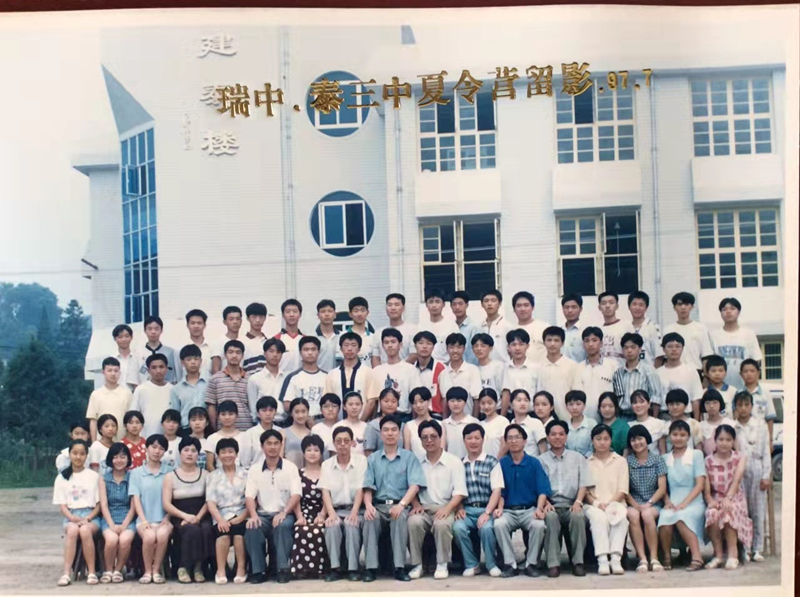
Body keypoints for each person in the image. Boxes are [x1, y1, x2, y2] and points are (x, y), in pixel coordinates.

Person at [362, 415, 427, 582]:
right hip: (378, 505)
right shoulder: (373, 459)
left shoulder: (409, 457)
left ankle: (399, 567)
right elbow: (368, 487)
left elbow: (414, 485)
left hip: (400, 504)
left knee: (399, 517)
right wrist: (368, 505)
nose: (389, 433)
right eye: (386, 430)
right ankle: (370, 568)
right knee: (370, 518)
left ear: (399, 433)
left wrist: (402, 504)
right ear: (381, 434)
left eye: (393, 430)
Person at [407, 420, 467, 580]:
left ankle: (442, 564)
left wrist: (447, 509)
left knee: (442, 524)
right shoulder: (416, 462)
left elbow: (459, 492)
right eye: (425, 437)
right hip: (424, 508)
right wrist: (415, 504)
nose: (429, 440)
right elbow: (411, 487)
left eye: (433, 436)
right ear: (420, 440)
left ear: (440, 438)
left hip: (447, 507)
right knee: (413, 522)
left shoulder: (454, 462)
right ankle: (417, 564)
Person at [244, 429, 302, 584]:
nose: (273, 447)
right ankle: (258, 571)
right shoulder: (255, 469)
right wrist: (253, 515)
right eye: (269, 443)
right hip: (262, 514)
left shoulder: (290, 467)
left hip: (284, 513)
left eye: (276, 443)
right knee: (252, 526)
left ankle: (282, 569)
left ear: (281, 445)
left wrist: (284, 512)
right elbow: (249, 496)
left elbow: (296, 494)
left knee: (282, 526)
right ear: (262, 446)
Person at [494, 424, 551, 577]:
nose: (513, 441)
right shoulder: (502, 464)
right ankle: (510, 564)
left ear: (524, 441)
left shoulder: (534, 463)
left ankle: (531, 563)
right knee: (499, 524)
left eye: (517, 437)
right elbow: (500, 491)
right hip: (508, 510)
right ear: (506, 442)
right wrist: (499, 508)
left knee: (538, 525)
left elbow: (542, 490)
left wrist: (539, 509)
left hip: (529, 510)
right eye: (510, 438)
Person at [453, 423, 504, 578]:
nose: (473, 441)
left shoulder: (492, 462)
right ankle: (472, 564)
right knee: (458, 528)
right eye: (469, 438)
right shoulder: (459, 464)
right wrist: (459, 508)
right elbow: (456, 490)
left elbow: (497, 490)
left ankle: (491, 564)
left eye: (477, 438)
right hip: (467, 510)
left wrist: (487, 512)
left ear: (483, 439)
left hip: (487, 509)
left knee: (486, 529)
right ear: (464, 440)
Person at [539, 420, 589, 578]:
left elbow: (583, 484)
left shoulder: (578, 458)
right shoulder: (541, 460)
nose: (557, 437)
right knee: (550, 517)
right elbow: (539, 486)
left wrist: (578, 501)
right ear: (548, 437)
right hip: (551, 504)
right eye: (553, 434)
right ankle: (553, 564)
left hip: (572, 503)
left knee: (578, 516)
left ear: (566, 436)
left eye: (561, 434)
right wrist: (546, 503)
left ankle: (578, 562)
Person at [319, 426, 368, 582]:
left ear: (352, 443)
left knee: (351, 524)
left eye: (346, 441)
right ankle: (335, 568)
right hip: (336, 509)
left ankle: (353, 568)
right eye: (339, 441)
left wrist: (354, 512)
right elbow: (325, 491)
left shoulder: (361, 461)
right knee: (332, 525)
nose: (342, 444)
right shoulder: (326, 464)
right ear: (334, 443)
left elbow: (361, 489)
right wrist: (331, 513)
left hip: (356, 509)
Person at [657, 420, 707, 572]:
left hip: (693, 501)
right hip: (673, 500)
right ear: (669, 436)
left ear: (688, 437)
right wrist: (667, 501)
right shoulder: (664, 458)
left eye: (682, 435)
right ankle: (667, 557)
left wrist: (685, 503)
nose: (678, 438)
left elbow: (700, 484)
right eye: (675, 434)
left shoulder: (696, 455)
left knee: (681, 516)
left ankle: (697, 557)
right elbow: (662, 485)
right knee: (665, 517)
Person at [162, 437, 212, 584]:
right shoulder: (170, 476)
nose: (190, 454)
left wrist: (197, 517)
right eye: (186, 450)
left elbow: (209, 500)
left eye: (194, 451)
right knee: (191, 530)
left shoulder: (206, 475)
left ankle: (199, 568)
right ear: (180, 453)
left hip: (201, 513)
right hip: (179, 514)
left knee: (206, 529)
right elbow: (166, 504)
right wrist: (185, 516)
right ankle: (183, 567)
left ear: (198, 454)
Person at [703, 424, 753, 570]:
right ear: (715, 440)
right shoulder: (708, 461)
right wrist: (710, 501)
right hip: (716, 498)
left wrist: (728, 498)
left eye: (728, 440)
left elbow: (737, 480)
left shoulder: (740, 457)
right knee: (711, 513)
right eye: (721, 439)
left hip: (735, 497)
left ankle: (733, 555)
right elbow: (706, 488)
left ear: (733, 441)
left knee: (728, 512)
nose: (724, 443)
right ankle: (718, 555)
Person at [53, 439, 101, 587]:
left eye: (82, 454)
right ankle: (67, 573)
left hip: (91, 516)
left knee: (85, 530)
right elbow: (63, 506)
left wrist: (88, 518)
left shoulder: (94, 476)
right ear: (69, 454)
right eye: (75, 453)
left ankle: (91, 572)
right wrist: (72, 518)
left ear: (86, 456)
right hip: (71, 516)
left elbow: (99, 505)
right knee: (73, 530)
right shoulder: (62, 477)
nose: (78, 457)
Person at [584, 424, 629, 576]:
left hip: (616, 502)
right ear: (592, 441)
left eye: (606, 439)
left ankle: (615, 559)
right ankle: (602, 560)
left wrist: (610, 504)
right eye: (598, 439)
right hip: (593, 505)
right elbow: (585, 491)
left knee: (620, 518)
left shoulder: (620, 461)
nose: (602, 442)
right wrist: (598, 504)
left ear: (611, 440)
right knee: (599, 518)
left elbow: (623, 489)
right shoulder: (586, 462)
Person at [733, 391, 771, 562]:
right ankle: (745, 548)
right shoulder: (733, 426)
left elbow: (766, 452)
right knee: (743, 509)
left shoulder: (760, 425)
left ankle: (757, 548)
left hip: (756, 465)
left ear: (751, 406)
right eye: (739, 405)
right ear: (735, 407)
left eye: (746, 405)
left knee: (757, 509)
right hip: (739, 470)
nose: (743, 408)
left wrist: (766, 475)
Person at [129, 434, 172, 584]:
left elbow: (173, 499)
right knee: (149, 537)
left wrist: (167, 517)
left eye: (161, 448)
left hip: (164, 519)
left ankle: (156, 570)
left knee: (162, 535)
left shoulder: (170, 471)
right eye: (153, 447)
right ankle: (147, 571)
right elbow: (136, 499)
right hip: (144, 519)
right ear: (146, 448)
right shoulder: (136, 473)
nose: (157, 451)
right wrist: (143, 520)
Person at [625, 425, 668, 573]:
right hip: (634, 502)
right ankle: (642, 558)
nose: (637, 442)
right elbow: (624, 489)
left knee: (647, 514)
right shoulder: (627, 462)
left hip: (654, 501)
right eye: (633, 440)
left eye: (640, 438)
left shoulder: (658, 460)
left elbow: (662, 488)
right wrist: (636, 505)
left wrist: (649, 503)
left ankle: (654, 558)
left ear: (647, 439)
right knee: (632, 514)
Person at [206, 437, 248, 585]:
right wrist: (220, 520)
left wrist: (242, 517)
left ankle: (241, 569)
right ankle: (221, 570)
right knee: (223, 534)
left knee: (239, 534)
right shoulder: (212, 476)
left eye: (231, 451)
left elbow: (252, 500)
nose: (227, 455)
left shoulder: (246, 474)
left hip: (242, 513)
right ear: (218, 455)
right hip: (221, 514)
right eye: (223, 452)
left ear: (236, 454)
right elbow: (210, 502)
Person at [289, 435, 329, 579]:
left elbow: (328, 496)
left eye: (316, 450)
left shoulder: (326, 472)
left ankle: (320, 569)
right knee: (302, 529)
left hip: (324, 510)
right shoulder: (297, 474)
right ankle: (302, 569)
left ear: (321, 453)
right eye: (309, 450)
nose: (312, 453)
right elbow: (295, 497)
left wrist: (322, 515)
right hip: (303, 510)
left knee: (319, 529)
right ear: (303, 453)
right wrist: (300, 516)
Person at [98, 442, 136, 584]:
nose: (119, 460)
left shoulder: (133, 477)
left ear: (128, 459)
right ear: (110, 459)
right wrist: (112, 525)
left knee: (125, 540)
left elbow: (133, 506)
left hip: (128, 517)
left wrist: (125, 524)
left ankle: (118, 570)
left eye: (122, 457)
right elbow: (104, 505)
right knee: (111, 540)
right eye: (115, 457)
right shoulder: (104, 479)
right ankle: (108, 570)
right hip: (109, 518)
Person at [369, 328, 422, 421]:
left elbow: (415, 397)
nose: (390, 345)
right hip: (382, 417)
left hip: (404, 416)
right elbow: (374, 401)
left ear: (400, 345)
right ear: (382, 346)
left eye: (393, 342)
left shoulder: (410, 369)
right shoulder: (377, 371)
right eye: (386, 342)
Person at [710, 297, 762, 390]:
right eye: (724, 309)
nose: (728, 312)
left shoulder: (748, 334)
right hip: (720, 388)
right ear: (720, 313)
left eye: (732, 309)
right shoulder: (713, 335)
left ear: (738, 312)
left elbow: (756, 360)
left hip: (744, 387)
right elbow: (709, 363)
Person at [612, 333, 663, 420]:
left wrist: (653, 419)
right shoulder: (618, 373)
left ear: (640, 349)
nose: (629, 350)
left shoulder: (649, 370)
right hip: (623, 416)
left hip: (643, 416)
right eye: (626, 347)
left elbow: (656, 397)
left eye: (633, 347)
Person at [205, 340, 251, 431]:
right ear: (225, 355)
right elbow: (211, 406)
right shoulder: (215, 379)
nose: (234, 355)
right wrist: (215, 428)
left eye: (238, 352)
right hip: (223, 430)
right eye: (230, 352)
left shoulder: (250, 379)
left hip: (246, 429)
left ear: (243, 356)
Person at [537, 326, 583, 417]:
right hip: (544, 416)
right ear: (544, 342)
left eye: (556, 340)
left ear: (562, 343)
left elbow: (576, 393)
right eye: (549, 340)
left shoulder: (572, 366)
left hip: (566, 415)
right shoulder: (538, 366)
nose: (552, 344)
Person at [664, 292, 714, 374]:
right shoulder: (668, 330)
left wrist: (706, 376)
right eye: (679, 304)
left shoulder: (701, 328)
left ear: (692, 307)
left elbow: (706, 355)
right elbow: (664, 356)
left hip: (696, 371)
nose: (683, 307)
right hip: (673, 372)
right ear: (674, 307)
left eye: (686, 304)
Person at [279, 336, 327, 421]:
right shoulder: (293, 377)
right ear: (300, 352)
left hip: (323, 421)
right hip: (300, 421)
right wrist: (305, 418)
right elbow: (287, 404)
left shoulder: (327, 376)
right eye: (306, 349)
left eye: (313, 349)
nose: (310, 353)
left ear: (318, 352)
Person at [658, 332, 704, 420]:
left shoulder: (691, 371)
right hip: (663, 416)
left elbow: (695, 399)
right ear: (663, 349)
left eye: (677, 346)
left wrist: (696, 421)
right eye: (670, 346)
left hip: (685, 416)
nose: (674, 349)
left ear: (682, 349)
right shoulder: (657, 373)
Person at [577, 327, 619, 421]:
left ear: (601, 343)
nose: (590, 344)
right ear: (583, 344)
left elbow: (618, 393)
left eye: (594, 340)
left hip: (608, 418)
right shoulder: (578, 368)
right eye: (587, 341)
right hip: (585, 418)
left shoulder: (612, 365)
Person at [87, 357, 132, 442]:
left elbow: (131, 420)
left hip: (122, 440)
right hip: (102, 442)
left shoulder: (127, 393)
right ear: (103, 372)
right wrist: (94, 442)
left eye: (116, 371)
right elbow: (93, 420)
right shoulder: (96, 394)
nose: (113, 373)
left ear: (120, 373)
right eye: (109, 370)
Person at [325, 332, 375, 408]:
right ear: (341, 349)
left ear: (359, 349)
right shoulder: (332, 374)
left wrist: (363, 416)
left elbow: (371, 401)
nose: (349, 349)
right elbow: (328, 400)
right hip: (338, 415)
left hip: (362, 415)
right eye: (346, 345)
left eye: (353, 345)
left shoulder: (368, 372)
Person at [129, 354, 174, 439]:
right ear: (148, 370)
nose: (158, 371)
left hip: (168, 438)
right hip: (145, 437)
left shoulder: (173, 389)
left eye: (161, 367)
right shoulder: (141, 389)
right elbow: (133, 415)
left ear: (166, 368)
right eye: (154, 367)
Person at [438, 332, 482, 418]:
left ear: (464, 348)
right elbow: (445, 401)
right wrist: (444, 421)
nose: (455, 351)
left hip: (469, 419)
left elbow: (476, 399)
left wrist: (474, 421)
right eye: (451, 347)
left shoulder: (472, 370)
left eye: (459, 347)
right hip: (450, 421)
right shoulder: (443, 373)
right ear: (447, 349)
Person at [247, 338, 288, 426]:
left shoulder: (287, 378)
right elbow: (253, 408)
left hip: (285, 423)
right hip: (263, 424)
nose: (275, 355)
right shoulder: (255, 379)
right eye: (271, 351)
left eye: (278, 352)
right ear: (265, 354)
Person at [500, 329, 540, 416]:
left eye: (521, 344)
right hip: (512, 414)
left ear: (527, 346)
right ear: (508, 347)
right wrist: (502, 417)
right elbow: (505, 394)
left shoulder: (536, 368)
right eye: (513, 344)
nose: (517, 348)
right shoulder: (504, 368)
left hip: (532, 413)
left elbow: (540, 393)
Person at [169, 344, 208, 433]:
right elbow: (175, 413)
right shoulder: (176, 389)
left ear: (201, 361)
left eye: (196, 359)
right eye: (189, 359)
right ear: (182, 362)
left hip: (206, 429)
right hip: (185, 429)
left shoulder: (209, 384)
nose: (193, 362)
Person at [371, 293, 417, 366]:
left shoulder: (413, 330)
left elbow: (414, 355)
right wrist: (381, 371)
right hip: (383, 372)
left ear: (403, 308)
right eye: (389, 305)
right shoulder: (378, 333)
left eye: (396, 305)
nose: (393, 308)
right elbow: (375, 358)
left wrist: (396, 369)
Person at [740, 359, 777, 445]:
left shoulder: (765, 394)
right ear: (741, 374)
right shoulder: (738, 393)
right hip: (743, 436)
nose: (749, 374)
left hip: (761, 436)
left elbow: (769, 418)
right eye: (745, 371)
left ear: (758, 373)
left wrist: (770, 440)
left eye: (752, 371)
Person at [134, 316, 180, 384]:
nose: (153, 332)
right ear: (145, 331)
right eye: (150, 329)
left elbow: (178, 376)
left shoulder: (171, 352)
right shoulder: (137, 353)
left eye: (156, 329)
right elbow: (135, 379)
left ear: (161, 330)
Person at [404, 387, 445, 460]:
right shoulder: (409, 426)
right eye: (414, 403)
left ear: (429, 401)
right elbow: (407, 452)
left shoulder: (440, 424)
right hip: (415, 465)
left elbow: (442, 450)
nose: (418, 405)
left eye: (421, 401)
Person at [420, 289, 459, 364]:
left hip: (445, 366)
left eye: (437, 302)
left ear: (443, 304)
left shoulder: (451, 326)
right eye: (431, 302)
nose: (434, 305)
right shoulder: (421, 326)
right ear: (426, 305)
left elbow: (456, 349)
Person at [411, 331, 446, 415]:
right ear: (415, 346)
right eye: (421, 343)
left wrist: (444, 420)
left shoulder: (441, 368)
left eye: (429, 343)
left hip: (435, 415)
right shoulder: (411, 369)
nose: (424, 346)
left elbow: (445, 397)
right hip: (416, 415)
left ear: (433, 347)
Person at [239, 396, 278, 470]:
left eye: (271, 410)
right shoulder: (249, 434)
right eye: (264, 410)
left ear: (275, 412)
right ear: (258, 413)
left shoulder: (280, 431)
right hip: (255, 472)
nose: (268, 413)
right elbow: (245, 462)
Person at [628, 290, 665, 367]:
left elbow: (659, 356)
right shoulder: (626, 327)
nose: (637, 308)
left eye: (641, 305)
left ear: (646, 307)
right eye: (634, 304)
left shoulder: (653, 327)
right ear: (629, 307)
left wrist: (653, 372)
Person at [597, 292, 634, 366]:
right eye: (604, 303)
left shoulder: (626, 326)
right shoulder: (599, 331)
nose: (607, 306)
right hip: (603, 370)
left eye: (611, 303)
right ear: (599, 307)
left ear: (617, 306)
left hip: (622, 369)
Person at [364, 388, 406, 454]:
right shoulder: (372, 426)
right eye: (386, 401)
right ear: (380, 402)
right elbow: (368, 451)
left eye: (393, 401)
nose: (390, 404)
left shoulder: (403, 426)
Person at [442, 387, 479, 459]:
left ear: (465, 403)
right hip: (450, 462)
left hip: (469, 462)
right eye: (452, 401)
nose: (456, 404)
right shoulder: (444, 424)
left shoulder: (473, 422)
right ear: (447, 403)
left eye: (459, 401)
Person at [512, 291, 549, 363]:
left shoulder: (544, 328)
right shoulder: (511, 330)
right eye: (519, 306)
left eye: (526, 305)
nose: (522, 309)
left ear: (533, 307)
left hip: (541, 369)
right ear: (514, 309)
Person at [508, 389, 547, 456]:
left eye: (526, 400)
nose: (523, 403)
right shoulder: (509, 425)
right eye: (519, 400)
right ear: (511, 405)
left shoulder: (536, 423)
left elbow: (543, 451)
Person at [628, 389, 667, 455]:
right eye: (635, 402)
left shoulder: (659, 424)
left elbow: (662, 451)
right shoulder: (628, 426)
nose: (638, 405)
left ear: (649, 404)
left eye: (641, 402)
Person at [700, 389, 736, 457]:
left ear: (720, 404)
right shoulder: (700, 426)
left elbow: (736, 449)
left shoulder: (730, 424)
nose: (711, 406)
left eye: (715, 402)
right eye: (707, 403)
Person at [478, 289, 511, 363]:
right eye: (486, 301)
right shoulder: (479, 327)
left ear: (499, 303)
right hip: (484, 367)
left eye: (493, 301)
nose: (489, 304)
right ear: (482, 304)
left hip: (503, 367)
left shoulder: (507, 326)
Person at [274, 298, 306, 374]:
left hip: (301, 379)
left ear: (300, 314)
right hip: (281, 379)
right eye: (288, 312)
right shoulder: (276, 339)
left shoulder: (305, 340)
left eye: (295, 311)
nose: (291, 315)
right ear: (283, 315)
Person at [344, 296, 375, 367]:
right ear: (350, 314)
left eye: (362, 310)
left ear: (367, 312)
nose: (359, 314)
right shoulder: (343, 336)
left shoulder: (373, 337)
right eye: (356, 311)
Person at [211, 306, 243, 374]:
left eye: (238, 319)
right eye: (231, 319)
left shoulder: (245, 342)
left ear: (241, 321)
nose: (235, 322)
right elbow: (215, 370)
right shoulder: (218, 343)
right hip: (223, 380)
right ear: (224, 322)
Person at [281, 398, 312, 468]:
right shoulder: (283, 432)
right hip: (288, 471)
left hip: (307, 472)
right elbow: (279, 457)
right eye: (297, 412)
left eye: (303, 411)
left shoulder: (312, 433)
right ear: (291, 413)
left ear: (308, 412)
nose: (300, 415)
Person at [450, 290, 479, 365]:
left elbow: (474, 352)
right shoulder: (450, 326)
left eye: (460, 304)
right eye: (454, 304)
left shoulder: (474, 327)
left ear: (467, 305)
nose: (457, 307)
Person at [565, 390, 596, 457]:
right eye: (571, 404)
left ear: (584, 405)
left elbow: (594, 446)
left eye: (578, 404)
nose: (574, 408)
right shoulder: (564, 425)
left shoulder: (592, 424)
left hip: (588, 460)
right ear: (566, 407)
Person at [479, 388, 509, 457]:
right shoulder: (480, 424)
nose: (486, 406)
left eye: (490, 403)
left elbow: (504, 446)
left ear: (496, 403)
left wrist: (496, 461)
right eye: (483, 403)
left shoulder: (503, 421)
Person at [241, 302, 269, 375]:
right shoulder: (242, 342)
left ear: (265, 318)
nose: (258, 320)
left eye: (261, 317)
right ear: (248, 318)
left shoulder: (269, 342)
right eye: (254, 317)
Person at [109, 324, 138, 392]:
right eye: (120, 337)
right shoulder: (111, 360)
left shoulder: (138, 358)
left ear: (131, 337)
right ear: (115, 339)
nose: (124, 339)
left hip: (134, 394)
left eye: (126, 336)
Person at [185, 309, 212, 380]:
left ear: (204, 325)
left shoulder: (212, 348)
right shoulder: (181, 349)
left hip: (209, 386)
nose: (196, 326)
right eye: (193, 323)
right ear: (187, 325)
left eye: (199, 323)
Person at [315, 299, 341, 372]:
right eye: (323, 311)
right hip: (319, 377)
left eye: (330, 311)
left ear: (335, 314)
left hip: (337, 377)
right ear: (318, 315)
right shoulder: (312, 338)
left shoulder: (341, 337)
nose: (326, 314)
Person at [561, 293, 587, 363]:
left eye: (574, 307)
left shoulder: (585, 331)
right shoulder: (559, 332)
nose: (570, 310)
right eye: (566, 307)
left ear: (580, 309)